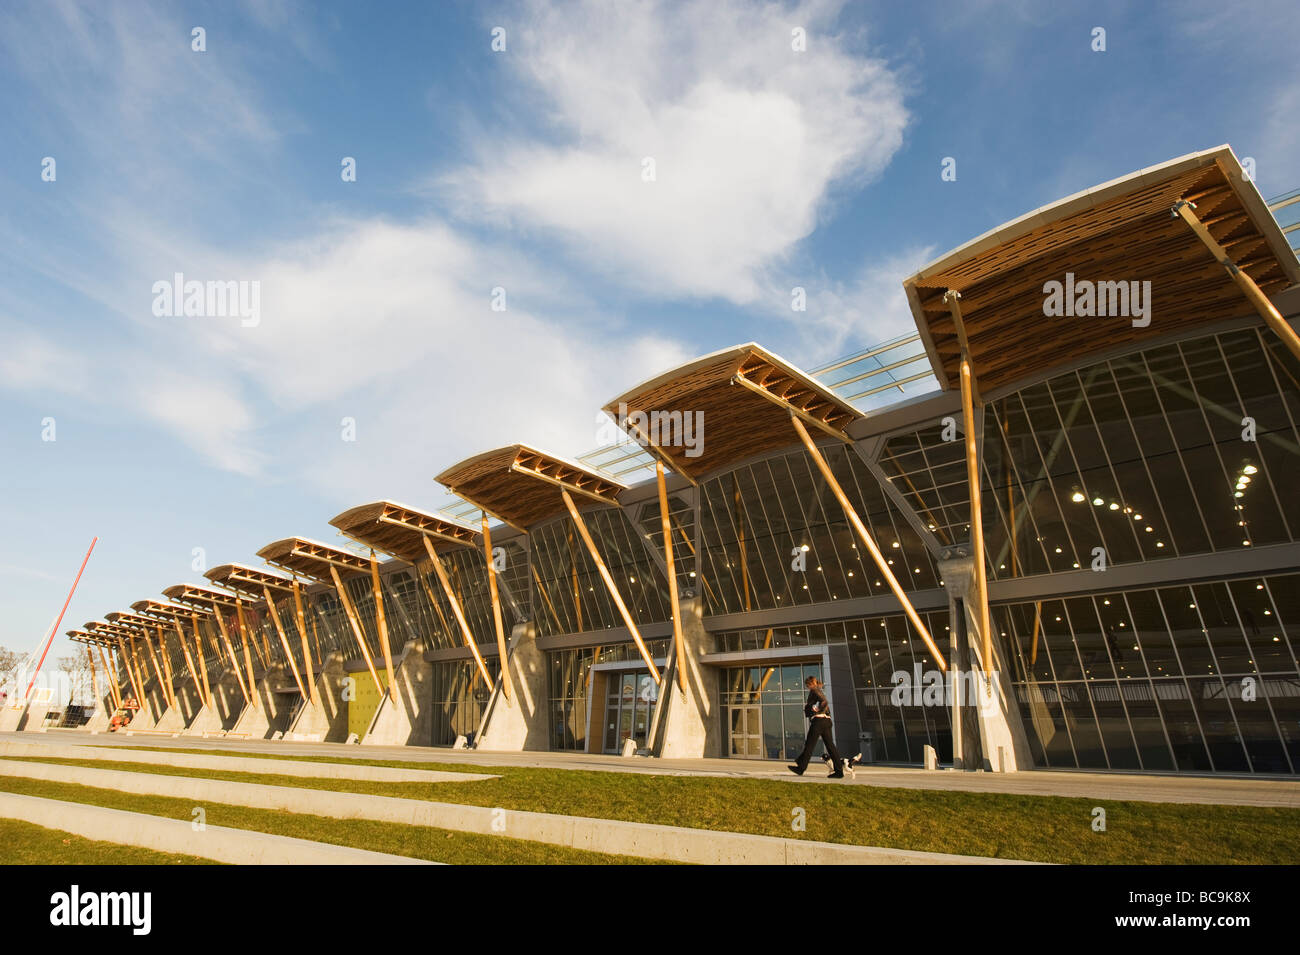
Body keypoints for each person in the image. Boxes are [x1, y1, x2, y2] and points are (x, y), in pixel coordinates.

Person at [790, 675, 847, 778]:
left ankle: (801, 768)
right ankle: (839, 771)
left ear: (811, 683)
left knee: (809, 745)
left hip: (819, 721)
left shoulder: (815, 690)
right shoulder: (819, 689)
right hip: (826, 721)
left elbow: (824, 702)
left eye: (808, 685)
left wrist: (816, 708)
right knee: (830, 747)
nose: (808, 687)